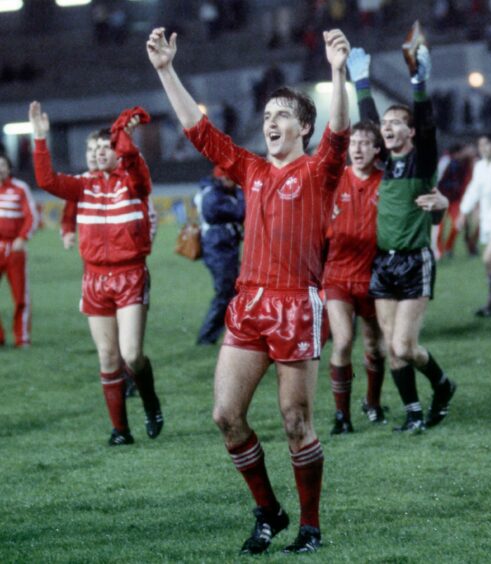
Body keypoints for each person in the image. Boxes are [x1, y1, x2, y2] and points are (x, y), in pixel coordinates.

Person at [147, 26, 350, 554]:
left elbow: (342, 133)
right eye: (267, 116)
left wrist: (337, 69)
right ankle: (268, 511)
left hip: (296, 304)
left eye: (282, 114)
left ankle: (310, 526)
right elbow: (199, 129)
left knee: (294, 420)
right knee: (225, 416)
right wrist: (167, 70)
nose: (271, 122)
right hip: (250, 303)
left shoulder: (318, 170)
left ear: (304, 126)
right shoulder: (251, 168)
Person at [29, 102, 163, 446]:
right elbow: (45, 179)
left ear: (116, 151)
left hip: (130, 274)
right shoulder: (82, 186)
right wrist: (40, 137)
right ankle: (121, 430)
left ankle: (150, 402)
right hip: (94, 278)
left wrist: (123, 137)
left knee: (131, 354)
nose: (98, 153)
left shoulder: (134, 181)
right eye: (92, 149)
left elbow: (132, 161)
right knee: (107, 356)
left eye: (105, 148)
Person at [350, 35, 456, 434]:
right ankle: (413, 411)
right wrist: (361, 81)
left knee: (403, 347)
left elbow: (427, 125)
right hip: (383, 263)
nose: (388, 128)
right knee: (390, 348)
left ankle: (442, 386)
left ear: (411, 134)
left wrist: (418, 85)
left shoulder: (420, 161)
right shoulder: (381, 167)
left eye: (397, 123)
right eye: (386, 124)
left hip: (414, 262)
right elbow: (368, 122)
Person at [322, 120, 387, 435]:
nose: (358, 149)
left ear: (377, 149)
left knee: (375, 346)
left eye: (365, 143)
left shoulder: (386, 184)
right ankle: (341, 416)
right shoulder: (334, 182)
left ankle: (372, 403)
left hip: (374, 279)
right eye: (354, 143)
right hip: (337, 275)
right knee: (344, 340)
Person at [194, 166, 245, 345]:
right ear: (221, 178)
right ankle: (207, 336)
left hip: (223, 248)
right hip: (217, 250)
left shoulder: (214, 192)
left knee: (231, 292)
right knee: (224, 293)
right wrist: (240, 192)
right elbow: (241, 211)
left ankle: (228, 332)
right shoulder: (213, 196)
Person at [458, 133, 491, 317]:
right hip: (488, 219)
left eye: (487, 144)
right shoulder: (480, 167)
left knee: (488, 258)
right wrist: (463, 212)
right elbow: (474, 190)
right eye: (480, 144)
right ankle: (490, 304)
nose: (483, 148)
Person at [0, 154, 39, 347]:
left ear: (9, 168)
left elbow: (32, 216)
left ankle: (22, 337)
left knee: (20, 295)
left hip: (14, 248)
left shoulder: (20, 188)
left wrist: (22, 238)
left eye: (2, 165)